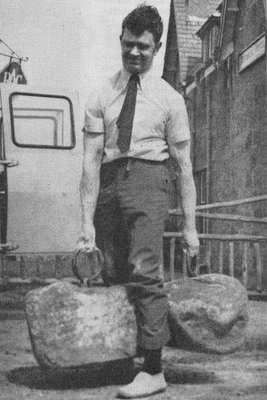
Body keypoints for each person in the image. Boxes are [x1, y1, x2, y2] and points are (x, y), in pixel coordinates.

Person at [77, 4, 199, 398]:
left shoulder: (170, 99)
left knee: (144, 269)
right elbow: (91, 161)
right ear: (121, 40)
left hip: (150, 179)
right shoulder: (101, 93)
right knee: (112, 271)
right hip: (110, 183)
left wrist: (190, 226)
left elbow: (183, 165)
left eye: (143, 48)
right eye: (129, 44)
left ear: (157, 48)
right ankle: (120, 357)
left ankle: (154, 368)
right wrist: (84, 224)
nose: (134, 53)